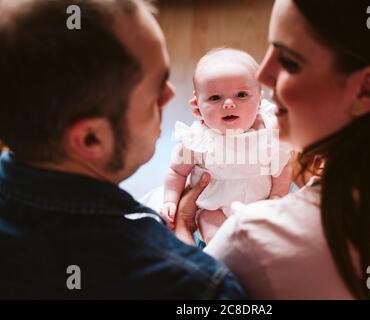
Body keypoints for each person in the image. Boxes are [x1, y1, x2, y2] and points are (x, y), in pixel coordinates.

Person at [174, 0, 370, 299]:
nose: (263, 76)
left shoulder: (250, 240)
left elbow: (188, 301)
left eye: (289, 61)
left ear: (366, 89)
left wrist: (183, 229)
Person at [0, 0, 246, 299]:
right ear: (92, 139)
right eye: (156, 88)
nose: (170, 94)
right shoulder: (194, 286)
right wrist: (182, 232)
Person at [161, 48, 292, 244]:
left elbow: (282, 167)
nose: (229, 104)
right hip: (215, 209)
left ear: (259, 98)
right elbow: (176, 172)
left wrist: (276, 197)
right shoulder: (198, 140)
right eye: (215, 98)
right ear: (197, 102)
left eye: (241, 95)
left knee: (273, 240)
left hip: (260, 205)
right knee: (218, 239)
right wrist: (170, 201)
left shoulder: (270, 132)